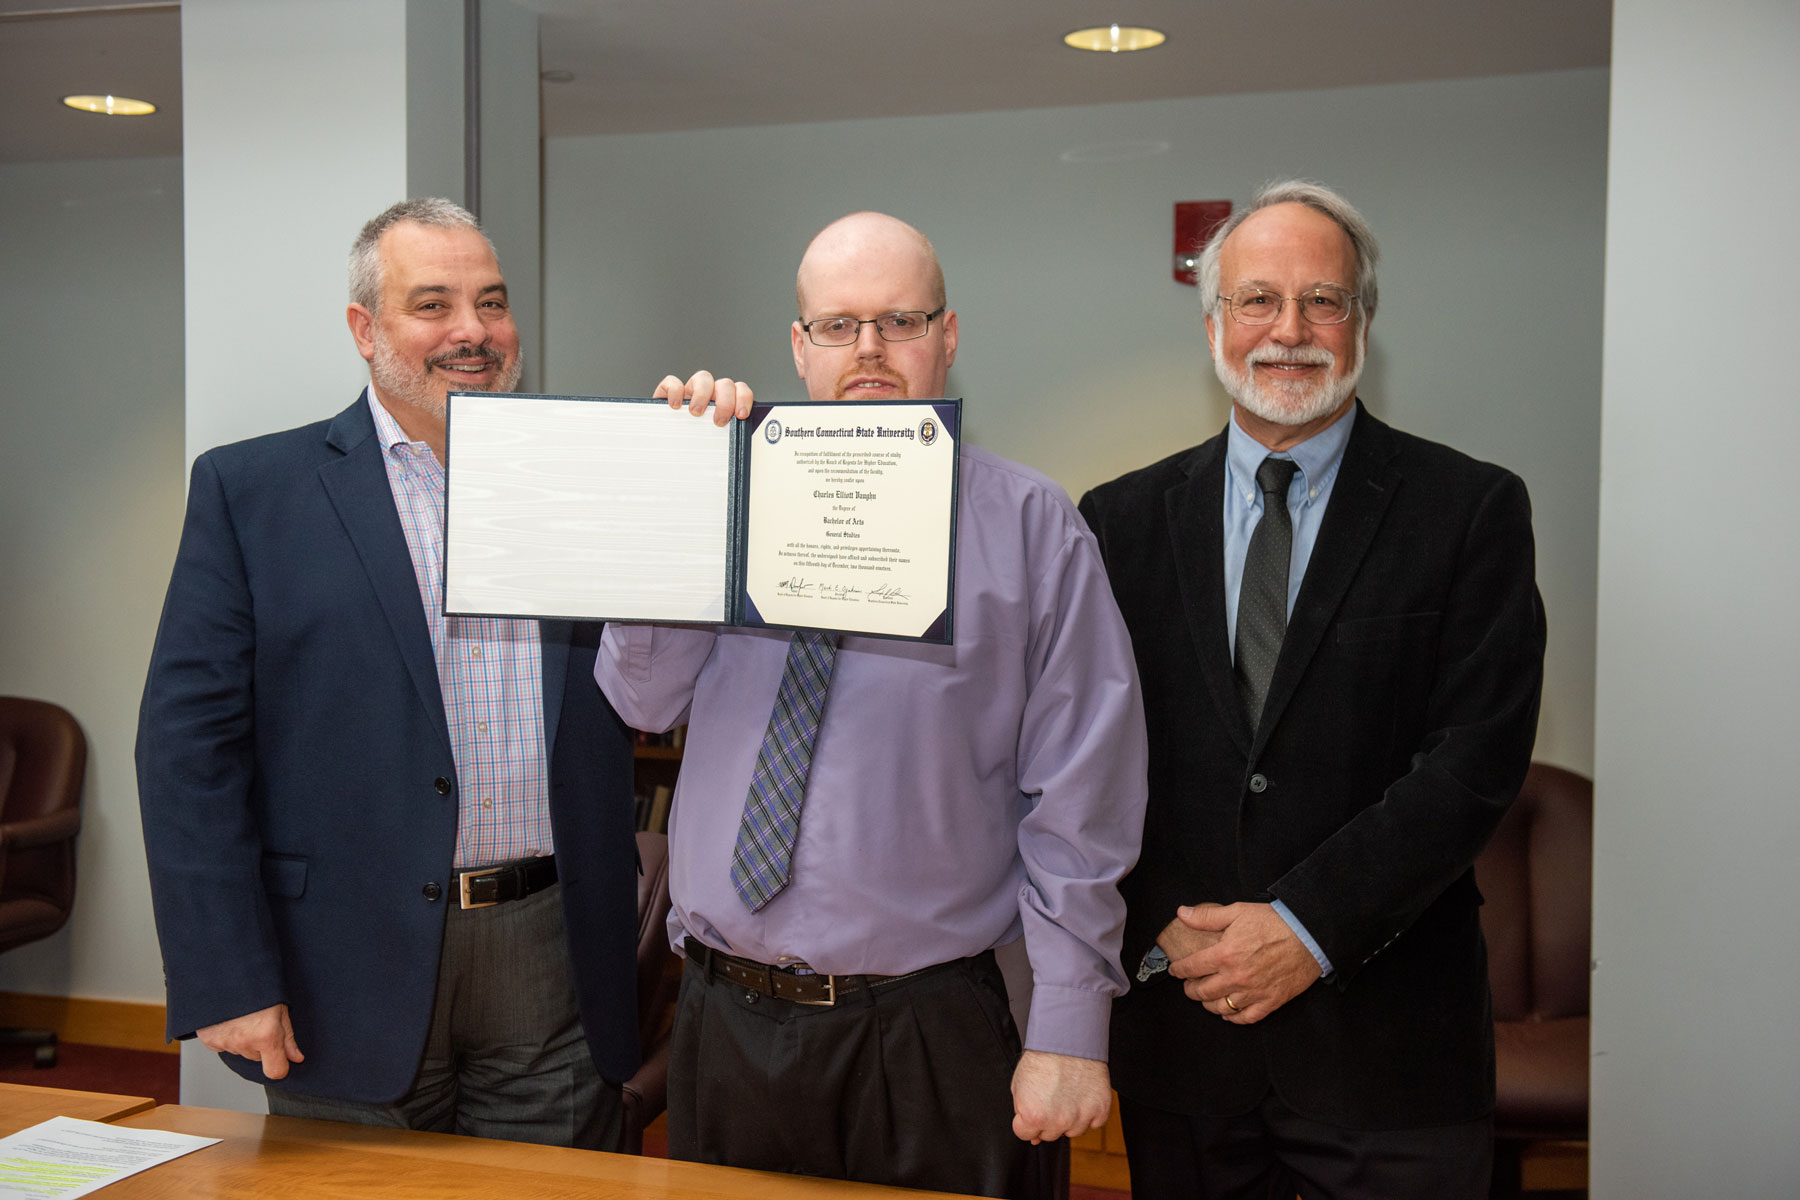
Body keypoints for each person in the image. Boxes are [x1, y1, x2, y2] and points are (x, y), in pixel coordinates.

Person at [595, 211, 1148, 1199]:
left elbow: (1083, 797)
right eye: (840, 325)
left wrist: (1070, 1026)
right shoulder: (719, 494)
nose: (870, 351)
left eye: (899, 320)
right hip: (725, 1021)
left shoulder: (1032, 527)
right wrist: (674, 497)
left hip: (930, 1035)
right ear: (799, 347)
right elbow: (640, 696)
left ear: (948, 335)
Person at [136, 198, 641, 1149]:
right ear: (366, 329)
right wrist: (228, 975)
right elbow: (187, 755)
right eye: (434, 305)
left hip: (552, 946)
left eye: (491, 303)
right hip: (342, 963)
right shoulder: (252, 493)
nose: (472, 332)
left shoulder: (585, 477)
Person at [1078, 181, 1546, 1199]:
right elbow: (1088, 753)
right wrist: (1160, 913)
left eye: (1323, 301)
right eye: (1258, 301)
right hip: (1185, 1037)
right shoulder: (1117, 519)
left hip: (1390, 1051)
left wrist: (1304, 929)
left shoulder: (1470, 511)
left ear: (1363, 323)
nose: (1289, 331)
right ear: (1214, 323)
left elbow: (1474, 761)